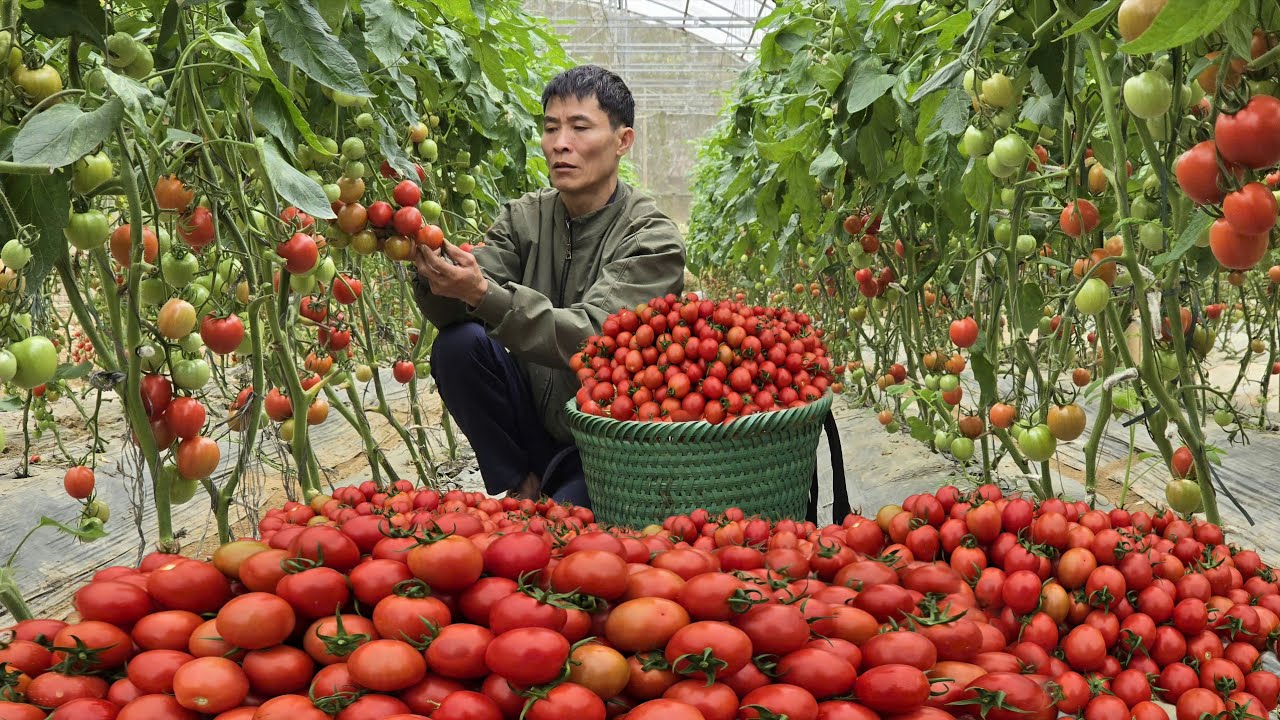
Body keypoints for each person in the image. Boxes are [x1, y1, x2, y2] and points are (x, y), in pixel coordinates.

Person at [410, 65, 686, 506]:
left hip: (609, 442)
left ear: (622, 141)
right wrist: (428, 268)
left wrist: (483, 294)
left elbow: (597, 336)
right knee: (457, 345)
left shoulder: (650, 237)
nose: (560, 143)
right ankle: (522, 482)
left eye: (580, 127)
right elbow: (456, 308)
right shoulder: (524, 218)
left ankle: (563, 494)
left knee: (564, 539)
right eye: (551, 128)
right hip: (533, 427)